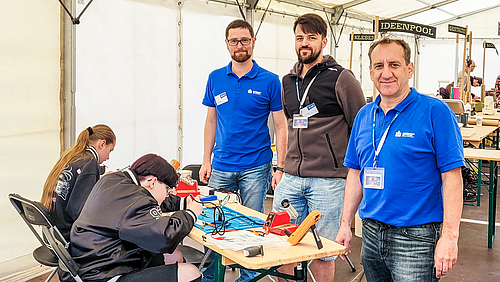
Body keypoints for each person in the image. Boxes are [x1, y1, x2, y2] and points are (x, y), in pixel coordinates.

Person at [335, 37, 464, 281]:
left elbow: (452, 177)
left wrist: (449, 237)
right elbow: (355, 172)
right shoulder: (364, 115)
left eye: (394, 65)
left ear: (409, 68)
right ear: (371, 71)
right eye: (379, 66)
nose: (386, 73)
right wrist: (345, 224)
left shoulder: (435, 112)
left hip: (416, 237)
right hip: (371, 233)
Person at [272, 13, 366, 282]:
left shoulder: (341, 78)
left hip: (329, 182)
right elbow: (289, 127)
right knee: (281, 246)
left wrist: (353, 174)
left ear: (324, 41)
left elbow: (359, 126)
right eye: (300, 37)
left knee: (323, 251)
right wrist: (281, 167)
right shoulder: (287, 81)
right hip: (291, 178)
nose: (305, 43)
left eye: (311, 37)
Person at [199, 19, 287, 282]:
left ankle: (249, 277)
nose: (240, 45)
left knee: (251, 226)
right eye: (234, 41)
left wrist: (279, 166)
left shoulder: (270, 81)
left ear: (253, 42)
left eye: (245, 40)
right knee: (214, 224)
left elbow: (281, 127)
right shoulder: (215, 78)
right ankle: (211, 276)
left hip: (256, 167)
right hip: (222, 165)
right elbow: (211, 121)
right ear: (226, 44)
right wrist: (206, 160)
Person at [70, 154, 203, 282]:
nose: (167, 195)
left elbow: (151, 201)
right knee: (191, 273)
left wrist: (183, 202)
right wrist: (191, 213)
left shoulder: (116, 181)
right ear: (153, 181)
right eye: (168, 190)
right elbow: (165, 237)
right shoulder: (136, 200)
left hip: (94, 260)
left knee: (175, 256)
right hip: (105, 274)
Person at [41, 124, 116, 241]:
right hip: (67, 235)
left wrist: (99, 181)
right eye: (110, 151)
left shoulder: (75, 155)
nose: (108, 157)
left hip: (53, 234)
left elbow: (73, 186)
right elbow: (80, 211)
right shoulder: (90, 162)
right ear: (102, 144)